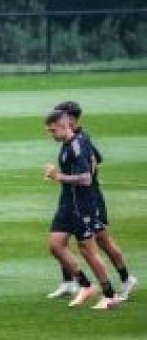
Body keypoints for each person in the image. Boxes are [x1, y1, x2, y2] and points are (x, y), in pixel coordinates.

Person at [46, 101, 138, 301]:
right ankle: (71, 282)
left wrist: (77, 176)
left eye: (61, 116)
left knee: (102, 241)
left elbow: (95, 162)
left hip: (90, 198)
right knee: (60, 240)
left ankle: (124, 280)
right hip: (71, 196)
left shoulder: (82, 139)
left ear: (70, 119)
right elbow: (97, 159)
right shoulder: (69, 140)